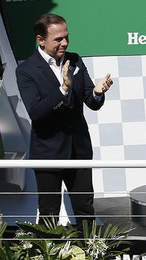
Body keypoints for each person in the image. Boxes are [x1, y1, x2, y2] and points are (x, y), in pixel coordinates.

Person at [16, 13, 113, 231]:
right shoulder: (26, 70)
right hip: (47, 153)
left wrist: (97, 92)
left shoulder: (75, 60)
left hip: (79, 150)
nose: (65, 43)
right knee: (49, 213)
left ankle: (89, 259)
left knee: (85, 210)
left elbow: (92, 102)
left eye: (66, 37)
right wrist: (63, 89)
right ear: (41, 40)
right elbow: (36, 112)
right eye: (58, 39)